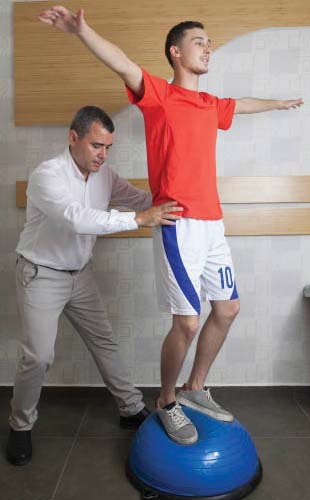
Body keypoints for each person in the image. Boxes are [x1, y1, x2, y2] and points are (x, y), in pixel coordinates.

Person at [38, 7, 304, 445]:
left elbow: (243, 105)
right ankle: (165, 400)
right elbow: (121, 60)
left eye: (210, 42)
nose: (208, 48)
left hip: (213, 224)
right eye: (201, 42)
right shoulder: (159, 95)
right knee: (186, 323)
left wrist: (279, 103)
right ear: (176, 52)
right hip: (179, 225)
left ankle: (194, 388)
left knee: (228, 309)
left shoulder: (210, 104)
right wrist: (82, 30)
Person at [6, 105, 183, 465]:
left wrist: (176, 197)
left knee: (105, 342)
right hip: (41, 274)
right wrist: (139, 219)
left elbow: (140, 200)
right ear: (74, 138)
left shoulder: (105, 175)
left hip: (80, 274)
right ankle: (20, 426)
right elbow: (77, 219)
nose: (102, 155)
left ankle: (130, 408)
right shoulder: (47, 176)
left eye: (108, 148)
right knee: (38, 356)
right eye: (96, 146)